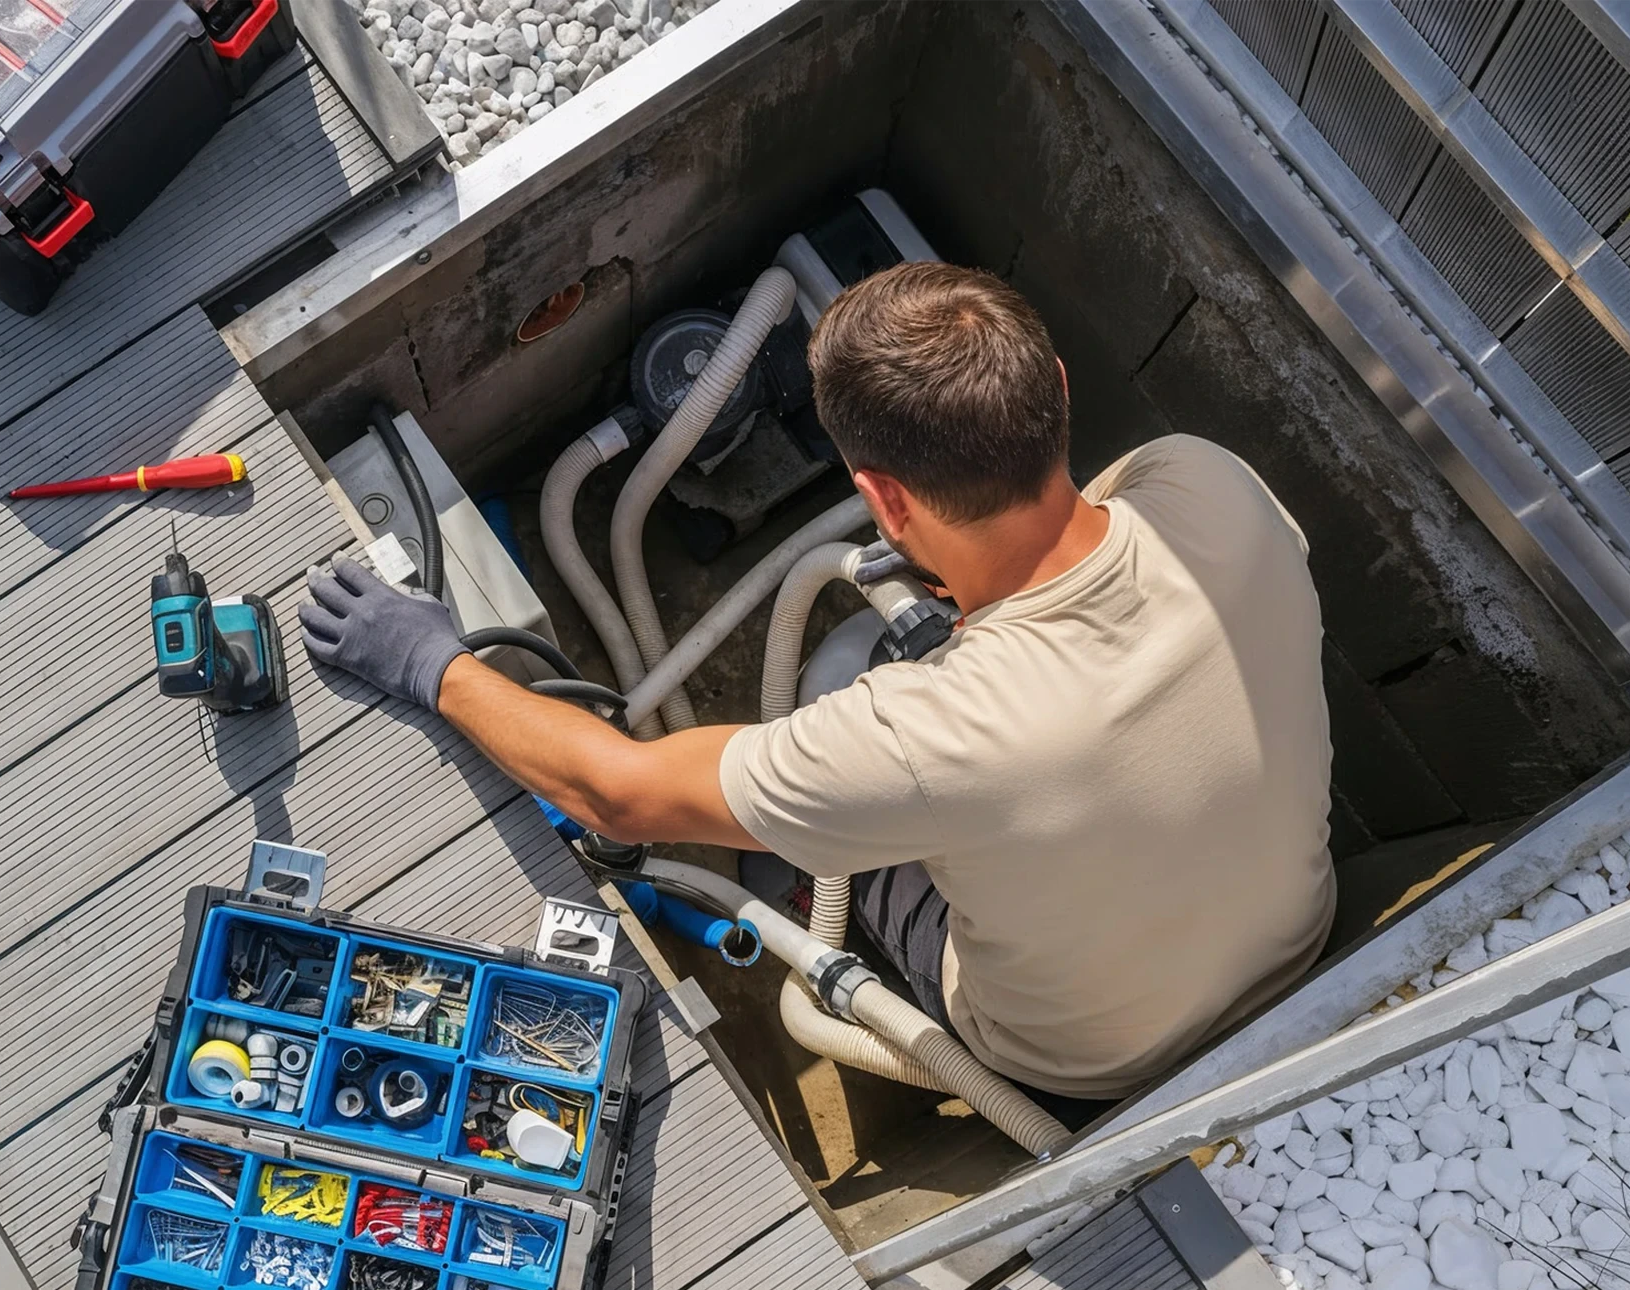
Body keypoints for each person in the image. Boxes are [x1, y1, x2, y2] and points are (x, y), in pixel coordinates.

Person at [300, 261, 1335, 1100]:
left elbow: (616, 791)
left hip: (1087, 1062)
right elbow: (1078, 553)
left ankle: (789, 891)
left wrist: (428, 660)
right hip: (1298, 942)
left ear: (883, 500)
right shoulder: (1204, 481)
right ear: (1057, 389)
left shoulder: (921, 736)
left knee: (836, 698)